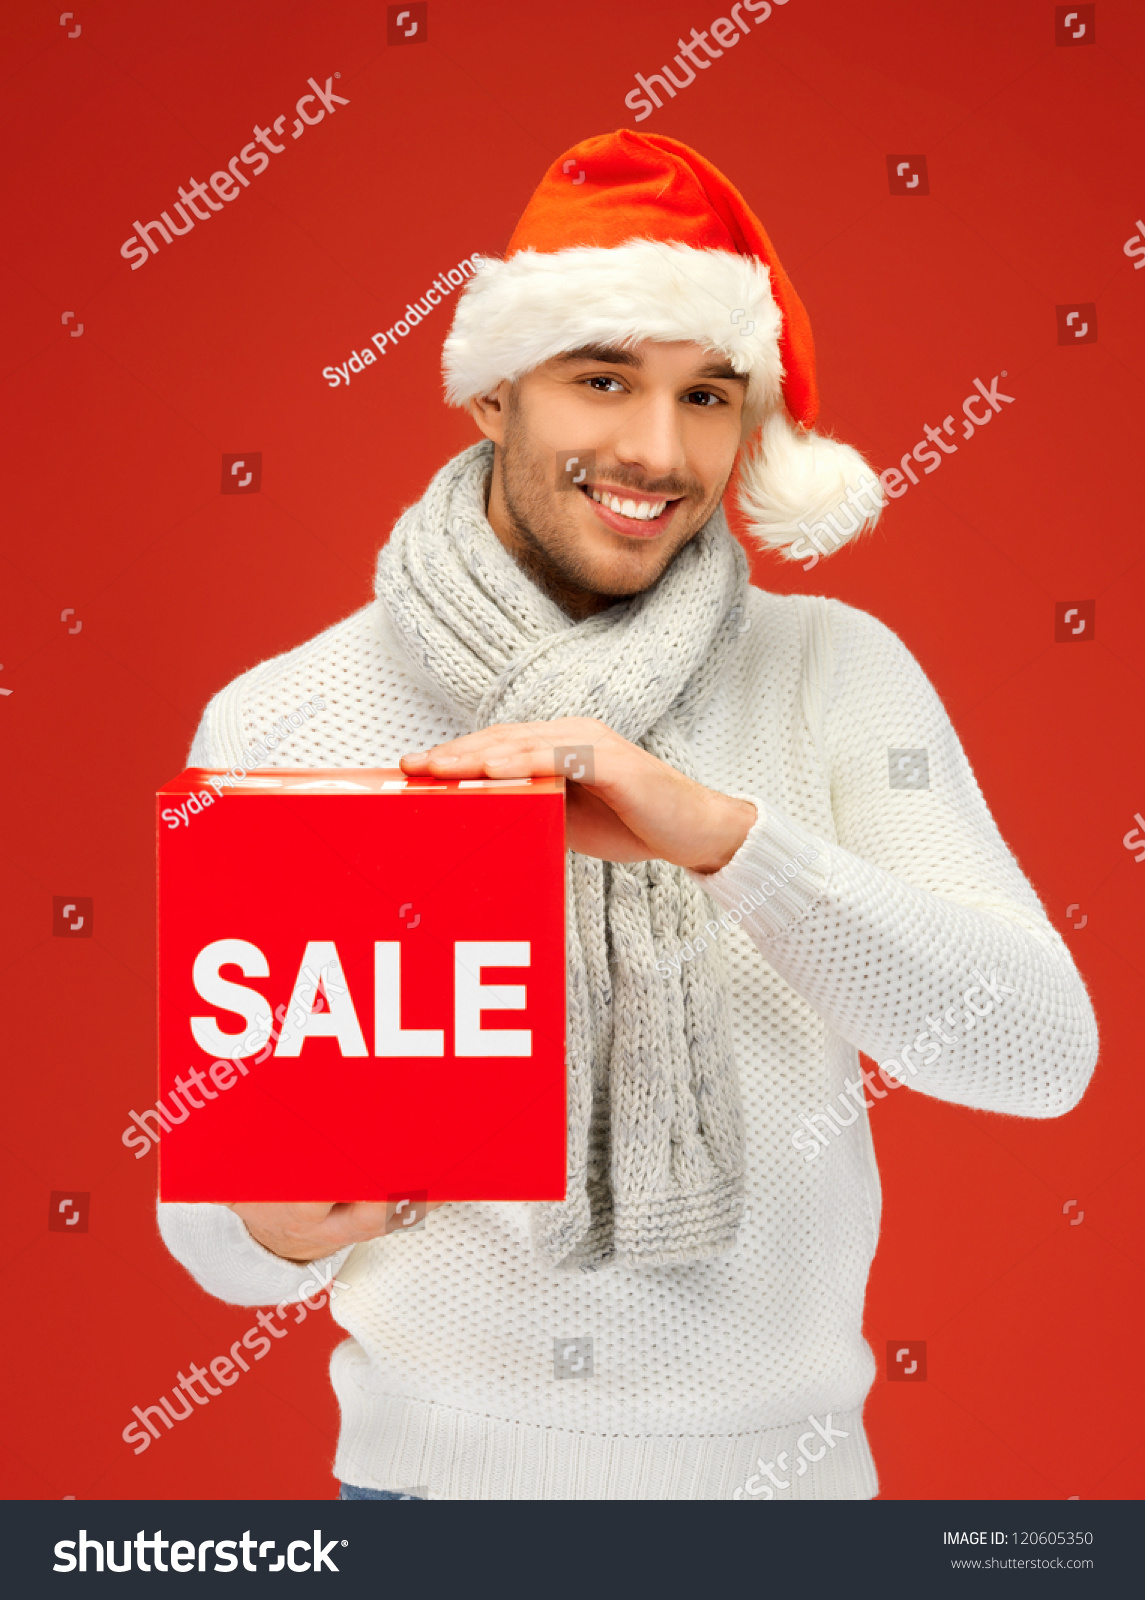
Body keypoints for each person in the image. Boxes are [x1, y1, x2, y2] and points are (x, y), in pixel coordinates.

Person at [159, 129, 1097, 1501]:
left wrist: (719, 836)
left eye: (708, 397)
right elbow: (220, 1234)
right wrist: (269, 1226)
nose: (657, 452)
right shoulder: (290, 714)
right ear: (491, 397)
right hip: (429, 1505)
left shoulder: (833, 672)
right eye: (603, 380)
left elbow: (1035, 1053)